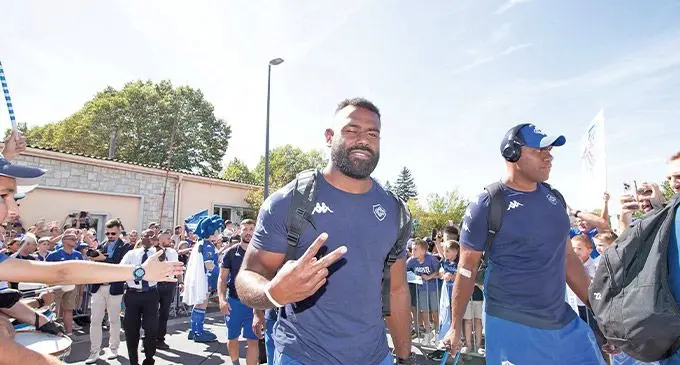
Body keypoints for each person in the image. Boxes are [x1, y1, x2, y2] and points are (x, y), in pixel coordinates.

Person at [236, 98, 413, 365]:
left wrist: (405, 357)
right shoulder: (288, 202)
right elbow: (249, 275)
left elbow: (397, 290)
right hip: (301, 357)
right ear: (330, 137)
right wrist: (273, 293)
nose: (363, 139)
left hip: (377, 358)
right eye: (351, 130)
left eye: (372, 133)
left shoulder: (395, 211)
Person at [443, 123, 607, 364]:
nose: (549, 156)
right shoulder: (487, 204)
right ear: (513, 153)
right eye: (539, 150)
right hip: (512, 325)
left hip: (564, 323)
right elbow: (466, 271)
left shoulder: (555, 199)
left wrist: (601, 314)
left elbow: (568, 261)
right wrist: (455, 325)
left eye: (550, 150)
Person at [0, 158, 183, 365]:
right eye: (3, 196)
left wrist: (40, 320)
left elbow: (66, 272)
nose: (14, 208)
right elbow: (62, 272)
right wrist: (139, 271)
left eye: (14, 197)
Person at [86, 219, 132, 364]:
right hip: (98, 287)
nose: (110, 235)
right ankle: (94, 352)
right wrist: (95, 259)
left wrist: (103, 260)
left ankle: (114, 349)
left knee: (114, 320)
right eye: (107, 233)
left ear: (119, 231)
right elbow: (97, 264)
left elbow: (120, 265)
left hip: (115, 288)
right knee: (95, 320)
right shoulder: (102, 245)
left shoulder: (126, 246)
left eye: (113, 233)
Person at [219, 219, 259, 365]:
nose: (248, 232)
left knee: (253, 341)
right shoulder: (230, 253)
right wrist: (222, 300)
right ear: (239, 231)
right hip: (234, 302)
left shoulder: (260, 253)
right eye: (245, 229)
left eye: (251, 229)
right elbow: (222, 279)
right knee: (233, 338)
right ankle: (235, 363)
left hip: (254, 305)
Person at [120, 229, 161, 365]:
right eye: (146, 236)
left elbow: (163, 263)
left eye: (152, 236)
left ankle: (149, 358)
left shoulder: (158, 254)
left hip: (150, 294)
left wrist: (158, 247)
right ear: (141, 238)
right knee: (131, 329)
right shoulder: (132, 254)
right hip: (133, 294)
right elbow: (121, 269)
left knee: (151, 328)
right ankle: (133, 361)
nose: (149, 238)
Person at [183, 215, 223, 343]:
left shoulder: (202, 243)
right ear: (211, 231)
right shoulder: (208, 246)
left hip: (202, 278)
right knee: (202, 304)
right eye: (217, 230)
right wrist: (222, 275)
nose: (218, 233)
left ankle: (195, 329)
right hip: (205, 279)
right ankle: (198, 332)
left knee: (199, 304)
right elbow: (209, 265)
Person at [406, 238, 440, 345]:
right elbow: (405, 270)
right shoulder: (411, 260)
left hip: (433, 289)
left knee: (434, 311)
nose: (413, 251)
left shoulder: (431, 259)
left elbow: (439, 271)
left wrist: (429, 276)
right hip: (421, 290)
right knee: (424, 311)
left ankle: (438, 333)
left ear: (423, 250)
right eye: (412, 249)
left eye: (416, 249)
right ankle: (428, 332)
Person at [155, 229, 179, 350]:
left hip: (168, 284)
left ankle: (160, 339)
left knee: (164, 313)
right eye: (168, 239)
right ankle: (148, 339)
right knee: (152, 313)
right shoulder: (153, 251)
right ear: (160, 240)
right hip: (155, 284)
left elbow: (172, 265)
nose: (171, 241)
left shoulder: (172, 251)